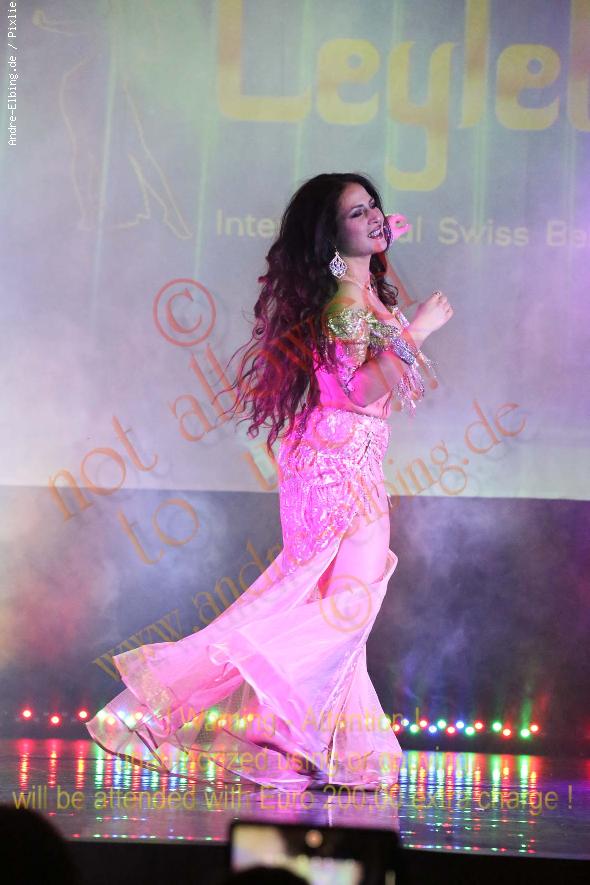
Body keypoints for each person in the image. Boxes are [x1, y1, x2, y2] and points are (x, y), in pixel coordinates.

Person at [86, 172, 453, 793]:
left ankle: (300, 743)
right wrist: (417, 328)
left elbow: (376, 380)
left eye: (375, 206)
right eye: (356, 212)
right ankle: (271, 732)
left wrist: (384, 277)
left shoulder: (357, 293)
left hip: (336, 464)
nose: (374, 216)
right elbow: (356, 390)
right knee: (341, 608)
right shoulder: (344, 301)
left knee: (327, 606)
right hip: (341, 470)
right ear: (330, 235)